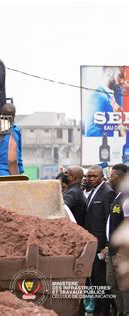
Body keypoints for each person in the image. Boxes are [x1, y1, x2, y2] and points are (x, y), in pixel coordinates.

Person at [84, 165, 117, 315]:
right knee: (96, 281)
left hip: (101, 246)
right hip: (92, 244)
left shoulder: (107, 193)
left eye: (94, 176)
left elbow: (108, 221)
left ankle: (104, 311)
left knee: (102, 282)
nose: (91, 179)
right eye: (89, 176)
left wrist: (106, 246)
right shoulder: (92, 192)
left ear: (102, 176)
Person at [105, 164, 129, 315]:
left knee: (124, 287)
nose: (109, 178)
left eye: (112, 175)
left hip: (121, 252)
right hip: (111, 250)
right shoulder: (118, 196)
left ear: (120, 177)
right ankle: (120, 311)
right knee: (111, 284)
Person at [85, 66, 124, 137]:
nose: (122, 81)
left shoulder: (111, 96)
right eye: (120, 76)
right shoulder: (97, 97)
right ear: (109, 72)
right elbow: (91, 133)